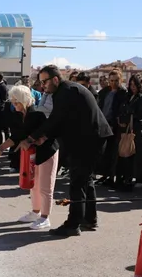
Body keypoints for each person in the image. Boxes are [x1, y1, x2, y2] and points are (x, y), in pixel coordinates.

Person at [24, 65, 113, 237]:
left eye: (45, 82)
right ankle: (89, 219)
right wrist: (44, 136)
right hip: (90, 138)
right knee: (86, 180)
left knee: (77, 181)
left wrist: (32, 138)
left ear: (55, 79)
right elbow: (62, 121)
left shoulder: (66, 92)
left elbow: (56, 120)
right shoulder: (66, 90)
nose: (42, 86)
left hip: (89, 140)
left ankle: (73, 224)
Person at [0, 85, 59, 230]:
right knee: (33, 185)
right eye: (12, 101)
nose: (13, 104)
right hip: (33, 154)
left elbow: (49, 133)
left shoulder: (37, 115)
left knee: (45, 187)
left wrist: (33, 140)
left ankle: (45, 217)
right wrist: (0, 148)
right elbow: (15, 136)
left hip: (48, 152)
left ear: (23, 101)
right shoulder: (18, 117)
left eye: (16, 101)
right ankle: (36, 212)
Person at [115, 74, 142, 191]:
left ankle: (140, 178)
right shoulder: (129, 96)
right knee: (128, 153)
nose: (133, 87)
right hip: (127, 129)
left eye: (135, 85)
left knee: (138, 154)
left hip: (138, 129)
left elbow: (140, 114)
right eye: (131, 85)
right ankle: (128, 177)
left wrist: (128, 118)